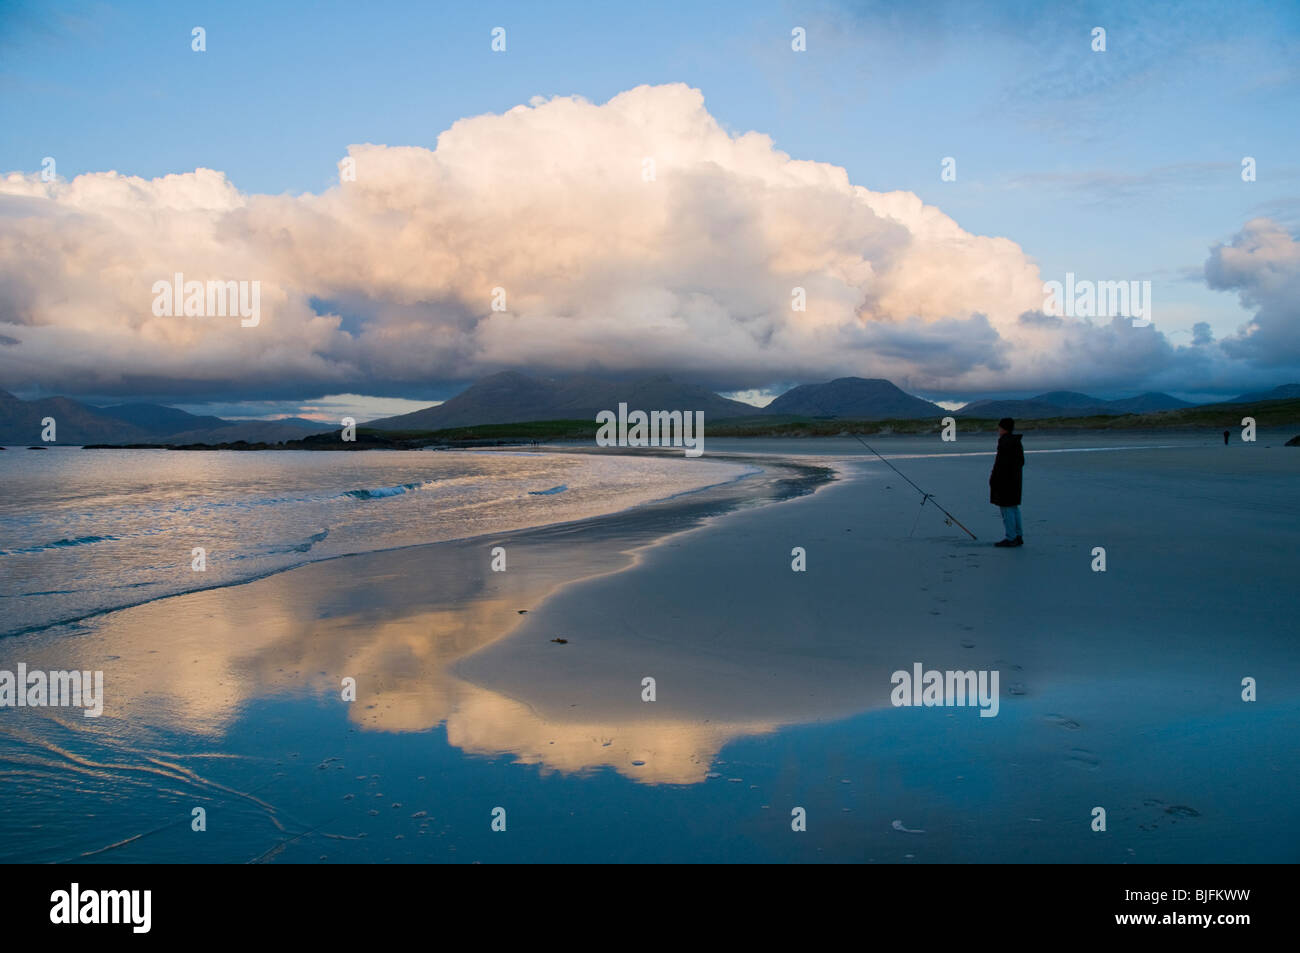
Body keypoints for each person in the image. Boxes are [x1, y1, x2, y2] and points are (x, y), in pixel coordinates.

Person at [990, 417, 1024, 547]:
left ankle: (1011, 537)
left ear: (1003, 428)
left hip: (1005, 481)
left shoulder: (1005, 442)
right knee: (1013, 508)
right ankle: (1018, 535)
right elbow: (1020, 462)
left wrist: (994, 479)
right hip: (1015, 480)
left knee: (1007, 509)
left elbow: (1000, 464)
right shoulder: (1016, 442)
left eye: (999, 427)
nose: (998, 430)